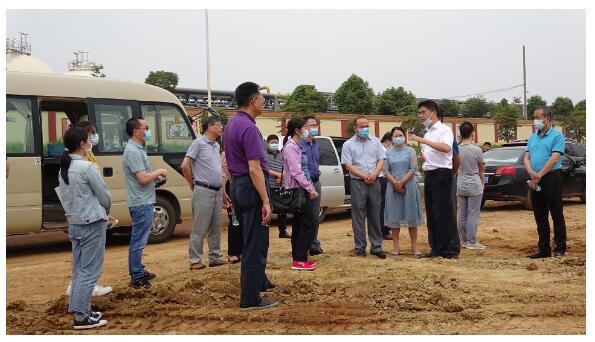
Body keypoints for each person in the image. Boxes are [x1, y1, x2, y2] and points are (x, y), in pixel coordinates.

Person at [223, 82, 278, 311]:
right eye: (262, 98)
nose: (264, 102)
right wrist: (266, 200)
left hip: (238, 184)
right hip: (250, 185)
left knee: (249, 239)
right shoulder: (249, 128)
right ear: (253, 100)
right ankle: (250, 298)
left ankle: (259, 282)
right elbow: (254, 168)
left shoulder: (231, 124)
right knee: (256, 243)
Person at [57, 127, 111, 330]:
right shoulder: (87, 167)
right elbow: (104, 195)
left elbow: (66, 198)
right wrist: (105, 210)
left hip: (75, 223)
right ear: (82, 144)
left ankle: (83, 310)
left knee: (79, 269)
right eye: (89, 139)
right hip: (92, 223)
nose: (91, 142)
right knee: (90, 271)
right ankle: (81, 316)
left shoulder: (64, 168)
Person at [410, 100, 460, 259]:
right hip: (430, 174)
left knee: (443, 212)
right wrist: (424, 157)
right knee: (431, 212)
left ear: (433, 113)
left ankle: (450, 249)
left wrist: (422, 141)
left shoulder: (444, 130)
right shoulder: (428, 132)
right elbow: (433, 153)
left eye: (423, 112)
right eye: (419, 113)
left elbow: (446, 148)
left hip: (442, 174)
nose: (420, 116)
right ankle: (436, 248)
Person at [122, 117, 168, 289]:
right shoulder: (133, 151)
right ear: (135, 131)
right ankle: (136, 276)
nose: (148, 131)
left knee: (140, 239)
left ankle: (139, 270)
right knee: (138, 241)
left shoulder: (138, 149)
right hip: (141, 202)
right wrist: (158, 172)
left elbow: (143, 178)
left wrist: (155, 181)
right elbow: (142, 178)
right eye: (145, 128)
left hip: (144, 199)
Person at [181, 115, 227, 270]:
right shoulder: (198, 143)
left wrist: (223, 190)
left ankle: (215, 256)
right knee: (199, 226)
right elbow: (185, 166)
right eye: (218, 125)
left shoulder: (216, 145)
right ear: (209, 127)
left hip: (217, 190)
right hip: (203, 189)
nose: (221, 127)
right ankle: (195, 260)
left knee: (216, 225)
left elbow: (218, 170)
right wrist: (191, 183)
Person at [341, 116, 387, 259]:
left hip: (375, 181)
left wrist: (374, 174)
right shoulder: (348, 144)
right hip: (357, 183)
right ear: (355, 128)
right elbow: (348, 165)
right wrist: (363, 176)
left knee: (375, 214)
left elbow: (381, 159)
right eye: (361, 126)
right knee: (358, 216)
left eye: (366, 126)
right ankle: (360, 248)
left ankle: (376, 247)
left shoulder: (376, 141)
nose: (365, 129)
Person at [524, 106, 567, 258]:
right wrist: (530, 172)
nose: (535, 121)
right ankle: (544, 249)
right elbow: (527, 157)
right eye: (534, 117)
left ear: (547, 119)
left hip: (551, 178)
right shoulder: (532, 137)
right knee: (540, 215)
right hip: (535, 178)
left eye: (538, 117)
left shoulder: (557, 136)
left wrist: (540, 174)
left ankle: (560, 248)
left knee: (556, 214)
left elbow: (554, 158)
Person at [283, 117, 320, 271]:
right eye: (305, 127)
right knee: (310, 223)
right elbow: (296, 171)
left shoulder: (296, 146)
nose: (307, 129)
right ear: (297, 130)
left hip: (301, 189)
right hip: (299, 190)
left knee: (299, 225)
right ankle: (299, 258)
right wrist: (310, 188)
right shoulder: (291, 147)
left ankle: (298, 258)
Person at [384, 127, 425, 256]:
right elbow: (385, 171)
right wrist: (395, 183)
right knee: (394, 217)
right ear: (391, 138)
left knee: (411, 216)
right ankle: (395, 247)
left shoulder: (411, 150)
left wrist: (402, 182)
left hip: (409, 186)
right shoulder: (387, 153)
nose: (398, 138)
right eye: (396, 135)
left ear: (404, 136)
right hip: (393, 187)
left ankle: (414, 247)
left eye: (400, 135)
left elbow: (413, 168)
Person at [456, 122, 486, 250]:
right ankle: (471, 241)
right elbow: (481, 168)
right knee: (473, 214)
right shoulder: (476, 150)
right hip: (474, 184)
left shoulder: (456, 149)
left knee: (462, 213)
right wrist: (482, 182)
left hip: (461, 183)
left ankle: (462, 240)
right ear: (473, 133)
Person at [301, 116, 324, 255]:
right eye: (311, 125)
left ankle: (314, 244)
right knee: (305, 217)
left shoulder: (316, 144)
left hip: (316, 182)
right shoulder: (299, 144)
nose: (314, 127)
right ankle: (304, 245)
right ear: (304, 128)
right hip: (303, 185)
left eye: (316, 125)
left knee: (315, 217)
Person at [265, 134, 290, 239]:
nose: (274, 144)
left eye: (276, 142)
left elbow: (286, 167)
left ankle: (282, 231)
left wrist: (282, 176)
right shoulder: (264, 155)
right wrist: (277, 175)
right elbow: (264, 169)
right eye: (272, 142)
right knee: (268, 208)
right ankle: (265, 231)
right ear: (268, 143)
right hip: (269, 185)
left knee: (282, 209)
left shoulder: (282, 154)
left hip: (281, 185)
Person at [379, 132, 394, 240]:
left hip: (381, 179)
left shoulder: (380, 149)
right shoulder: (384, 151)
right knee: (384, 206)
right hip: (383, 179)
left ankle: (383, 230)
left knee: (382, 206)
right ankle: (384, 231)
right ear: (388, 142)